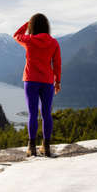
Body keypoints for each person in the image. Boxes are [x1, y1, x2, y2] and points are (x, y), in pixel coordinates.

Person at [13, 13, 61, 157]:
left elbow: (16, 35)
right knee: (47, 114)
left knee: (32, 114)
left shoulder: (29, 40)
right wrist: (57, 81)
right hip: (47, 82)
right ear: (46, 26)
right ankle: (46, 147)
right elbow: (57, 63)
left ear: (32, 26)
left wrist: (26, 24)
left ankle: (31, 147)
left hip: (31, 80)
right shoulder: (53, 43)